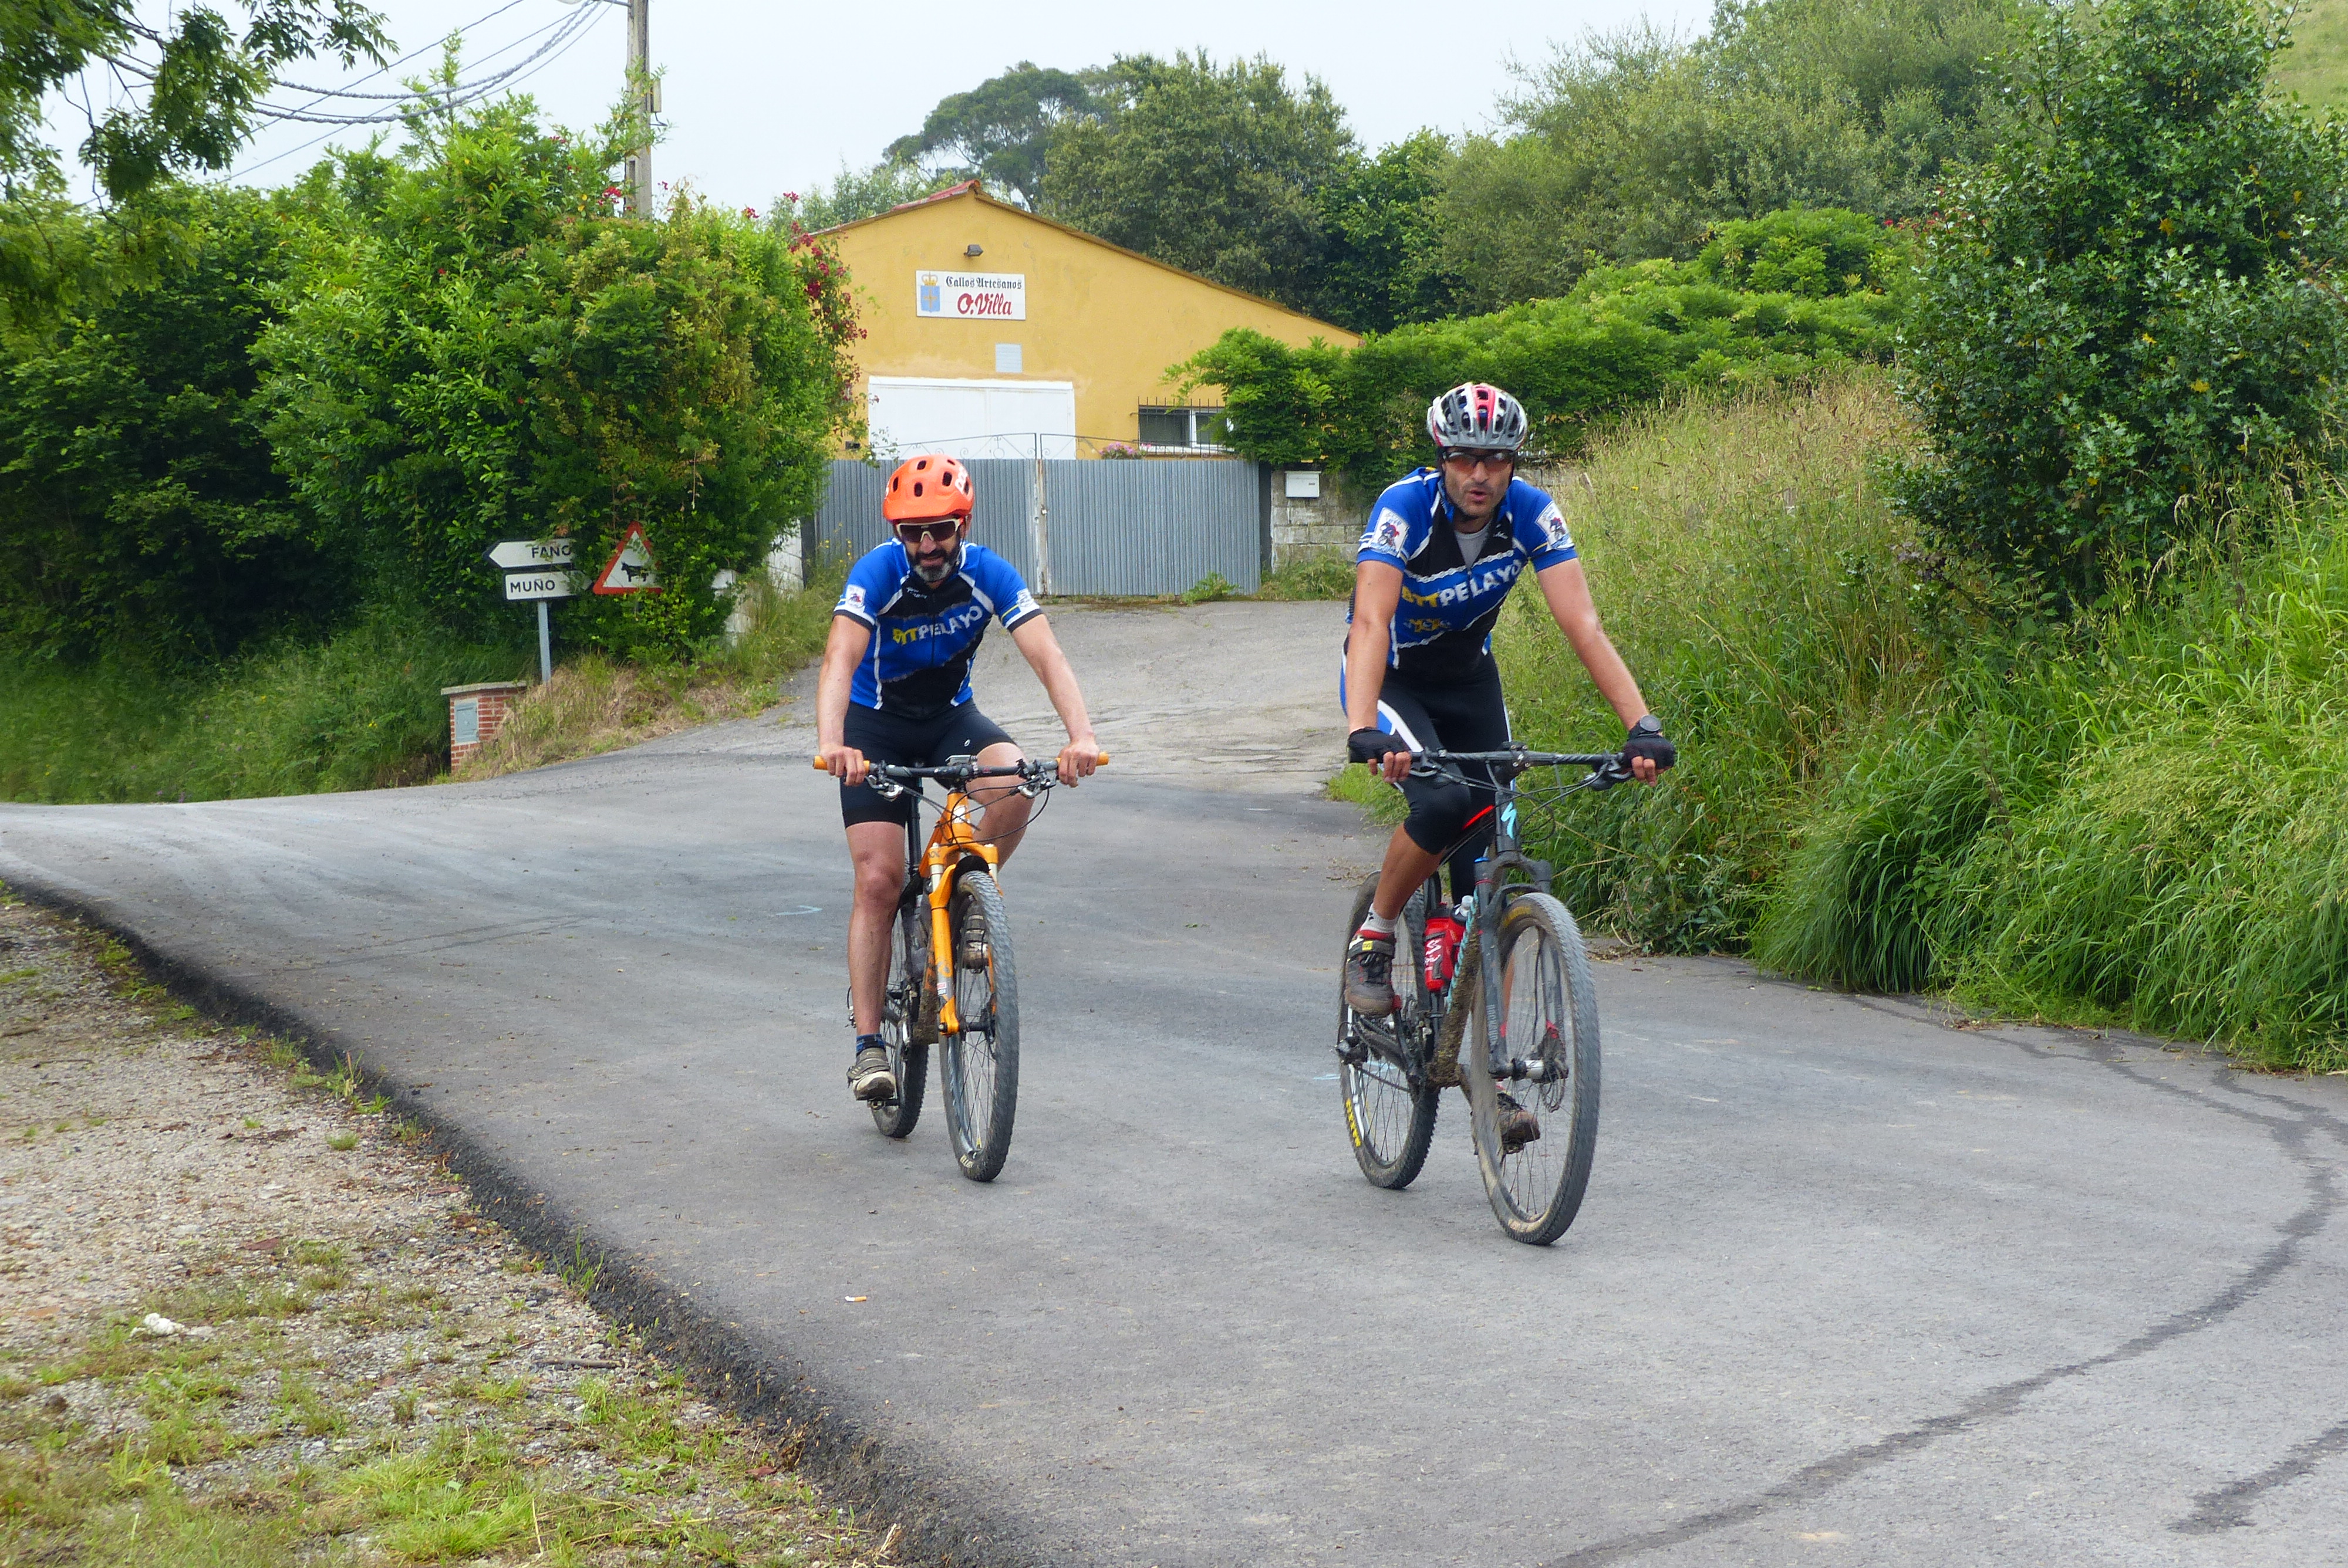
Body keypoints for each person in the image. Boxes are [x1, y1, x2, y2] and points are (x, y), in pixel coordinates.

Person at [1341, 383, 1675, 1138]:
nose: (1480, 474)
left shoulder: (1531, 512)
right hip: (1394, 677)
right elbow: (1370, 621)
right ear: (1441, 458)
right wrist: (1366, 729)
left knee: (1491, 861)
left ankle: (1488, 1076)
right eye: (1464, 458)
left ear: (1514, 463)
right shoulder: (1402, 509)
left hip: (1469, 681)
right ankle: (1377, 933)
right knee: (1441, 803)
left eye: (1495, 460)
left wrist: (1641, 726)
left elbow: (1582, 624)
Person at [815, 454, 1102, 1104]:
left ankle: (966, 894)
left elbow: (1047, 654)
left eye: (940, 530)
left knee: (1014, 782)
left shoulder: (990, 574)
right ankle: (869, 1047)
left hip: (950, 719)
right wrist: (834, 742)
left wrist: (1080, 735)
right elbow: (840, 657)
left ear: (962, 526)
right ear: (897, 533)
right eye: (912, 532)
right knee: (880, 880)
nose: (927, 546)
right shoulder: (877, 574)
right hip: (874, 727)